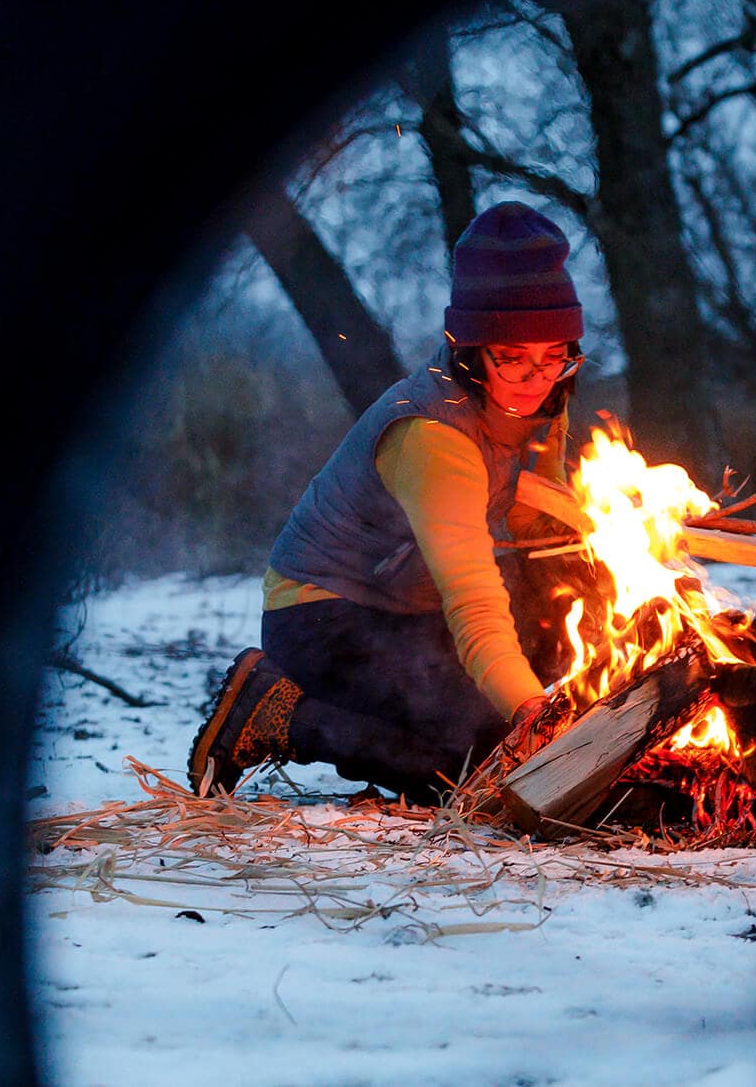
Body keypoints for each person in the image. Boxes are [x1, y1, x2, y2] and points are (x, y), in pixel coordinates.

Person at [188, 200, 586, 800]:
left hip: (412, 611)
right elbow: (474, 605)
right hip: (328, 616)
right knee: (480, 771)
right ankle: (272, 710)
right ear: (472, 349)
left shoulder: (543, 400)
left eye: (554, 356)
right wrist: (535, 717)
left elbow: (536, 536)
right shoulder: (433, 437)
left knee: (570, 602)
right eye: (513, 360)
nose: (536, 380)